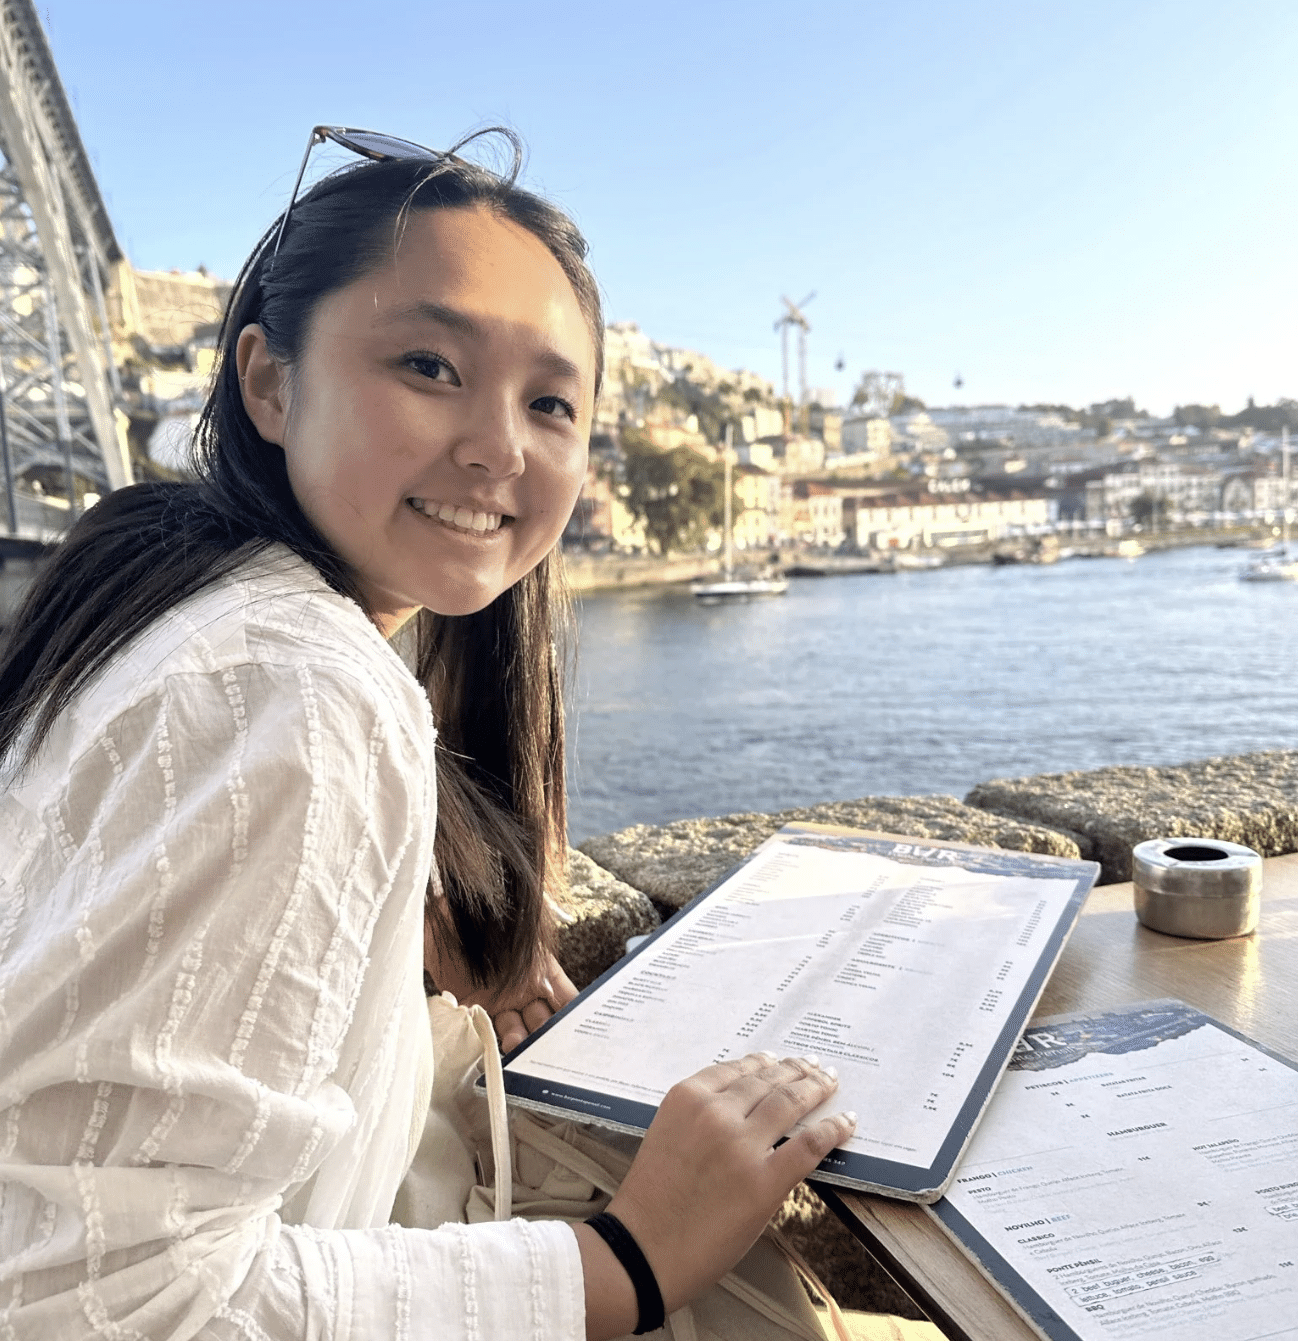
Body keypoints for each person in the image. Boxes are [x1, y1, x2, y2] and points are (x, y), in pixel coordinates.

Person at [0, 127, 906, 1341]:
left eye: (549, 402)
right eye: (428, 365)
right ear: (269, 381)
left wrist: (390, 952)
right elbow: (93, 1303)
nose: (499, 446)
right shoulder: (295, 687)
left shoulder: (164, 584)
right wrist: (629, 1262)